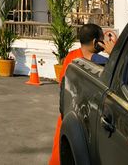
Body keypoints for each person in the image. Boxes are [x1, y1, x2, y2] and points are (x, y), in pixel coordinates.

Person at [49, 23, 116, 165]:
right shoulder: (99, 62)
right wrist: (113, 53)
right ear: (95, 42)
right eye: (102, 40)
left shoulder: (71, 56)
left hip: (67, 114)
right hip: (86, 121)